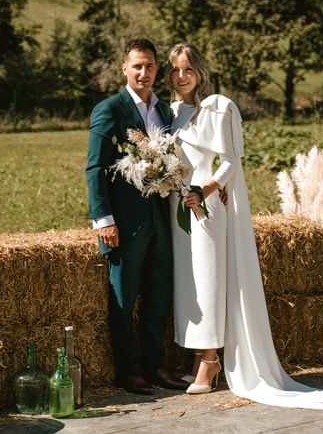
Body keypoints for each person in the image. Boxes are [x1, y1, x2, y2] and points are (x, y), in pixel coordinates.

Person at [167, 43, 323, 410]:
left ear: (200, 71)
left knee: (207, 281)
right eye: (174, 70)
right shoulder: (171, 111)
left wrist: (207, 190)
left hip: (205, 205)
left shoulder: (219, 106)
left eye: (187, 68)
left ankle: (210, 359)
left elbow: (230, 162)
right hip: (177, 205)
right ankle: (197, 356)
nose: (181, 76)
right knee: (188, 282)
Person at [85, 38, 189, 395]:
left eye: (149, 66)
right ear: (125, 69)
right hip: (125, 222)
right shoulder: (109, 109)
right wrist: (103, 219)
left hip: (161, 217)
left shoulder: (164, 112)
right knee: (123, 297)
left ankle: (155, 365)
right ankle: (127, 371)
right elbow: (95, 167)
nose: (143, 72)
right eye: (137, 66)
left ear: (157, 69)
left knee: (159, 294)